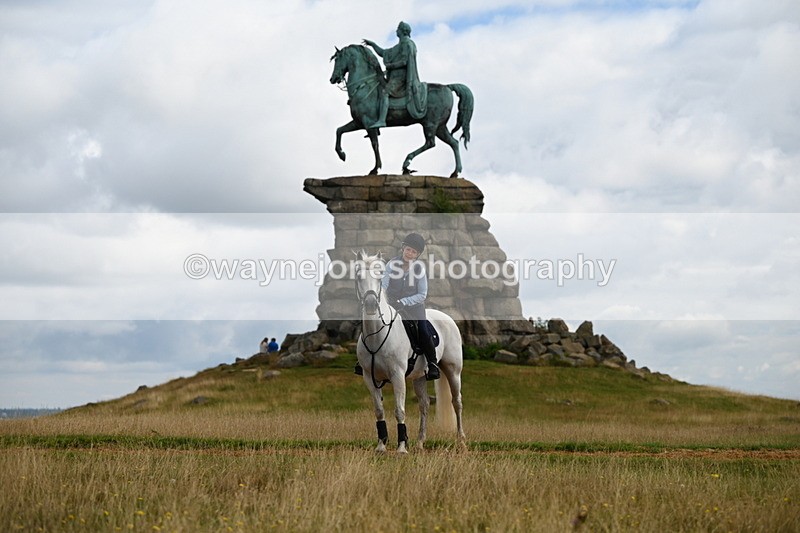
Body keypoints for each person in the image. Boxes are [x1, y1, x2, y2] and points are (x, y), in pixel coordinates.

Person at [354, 232, 440, 381]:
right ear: (403, 248)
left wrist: (404, 302)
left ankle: (432, 363)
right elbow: (384, 285)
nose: (409, 253)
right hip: (392, 303)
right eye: (408, 249)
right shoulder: (391, 265)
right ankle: (364, 361)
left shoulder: (419, 270)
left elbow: (422, 294)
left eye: (413, 252)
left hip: (414, 306)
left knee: (423, 329)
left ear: (417, 254)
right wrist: (383, 298)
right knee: (371, 323)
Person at [362, 21, 428, 129]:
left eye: (398, 29)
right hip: (394, 77)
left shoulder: (407, 44)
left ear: (402, 31)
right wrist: (372, 44)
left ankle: (382, 120)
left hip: (400, 78)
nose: (396, 30)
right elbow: (383, 53)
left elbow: (405, 61)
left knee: (385, 93)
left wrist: (391, 66)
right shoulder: (399, 46)